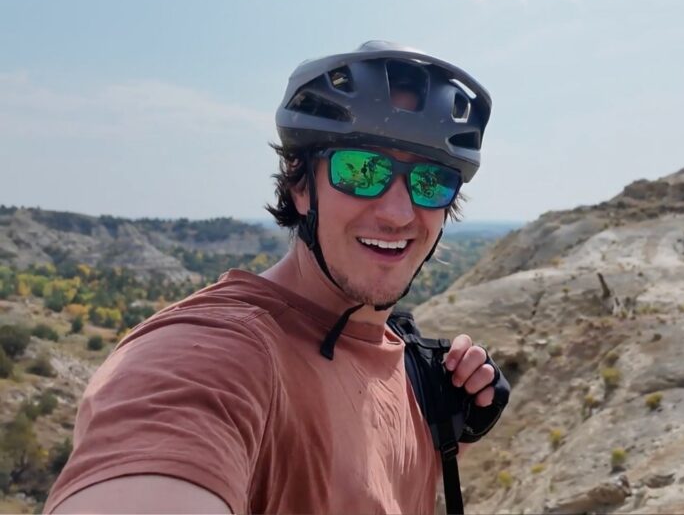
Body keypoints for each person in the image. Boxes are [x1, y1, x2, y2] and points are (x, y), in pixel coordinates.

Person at [44, 41, 509, 514]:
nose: (397, 212)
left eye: (431, 181)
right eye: (362, 170)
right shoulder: (214, 354)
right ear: (299, 183)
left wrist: (452, 431)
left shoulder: (404, 363)